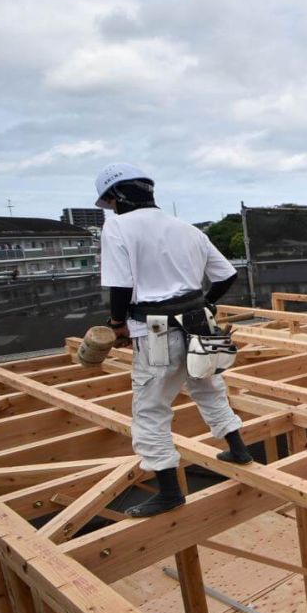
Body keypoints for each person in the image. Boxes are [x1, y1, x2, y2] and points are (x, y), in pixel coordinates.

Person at [95, 162, 253, 518]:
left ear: (116, 196)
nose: (110, 209)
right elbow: (226, 275)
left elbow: (120, 286)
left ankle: (168, 491)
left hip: (155, 329)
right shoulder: (187, 229)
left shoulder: (117, 227)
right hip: (199, 320)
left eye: (109, 202)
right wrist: (207, 301)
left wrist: (117, 322)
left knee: (150, 409)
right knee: (209, 387)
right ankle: (239, 449)